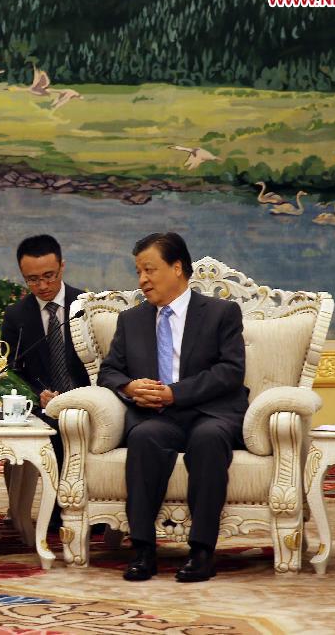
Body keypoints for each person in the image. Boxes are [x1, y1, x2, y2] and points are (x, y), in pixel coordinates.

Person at [98, 232, 248, 583]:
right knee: (145, 438)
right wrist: (129, 386)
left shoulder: (221, 313)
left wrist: (174, 393)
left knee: (209, 440)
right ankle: (143, 551)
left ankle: (201, 552)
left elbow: (230, 371)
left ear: (177, 268)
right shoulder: (132, 320)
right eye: (138, 272)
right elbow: (110, 370)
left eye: (149, 270)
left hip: (210, 411)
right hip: (157, 416)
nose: (142, 280)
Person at [1, 234, 91, 526]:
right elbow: (13, 370)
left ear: (62, 267)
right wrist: (37, 393)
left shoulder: (87, 307)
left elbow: (106, 362)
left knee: (73, 423)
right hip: (41, 405)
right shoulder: (16, 315)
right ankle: (29, 510)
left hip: (87, 401)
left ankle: (72, 508)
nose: (42, 286)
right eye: (33, 279)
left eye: (49, 276)